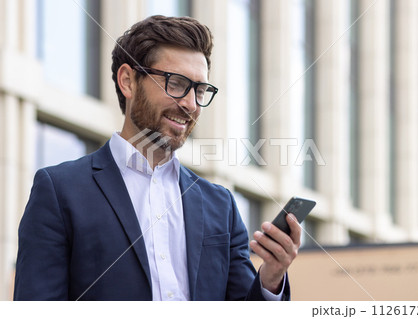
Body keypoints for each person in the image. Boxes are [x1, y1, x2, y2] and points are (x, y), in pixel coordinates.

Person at [14, 15, 300, 301]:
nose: (190, 104)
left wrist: (271, 278)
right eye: (176, 83)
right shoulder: (59, 191)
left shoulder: (220, 205)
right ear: (128, 81)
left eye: (200, 90)